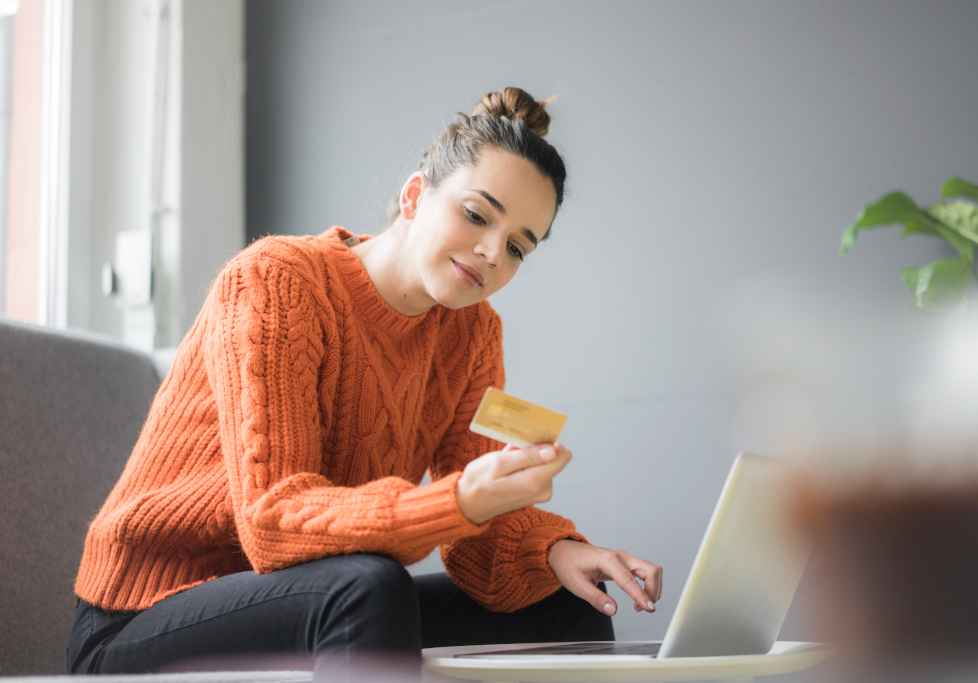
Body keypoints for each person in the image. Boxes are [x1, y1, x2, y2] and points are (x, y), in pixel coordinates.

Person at [67, 87, 663, 678]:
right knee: (366, 584)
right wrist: (457, 499)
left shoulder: (474, 333)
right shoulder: (276, 281)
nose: (490, 254)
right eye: (477, 215)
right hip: (144, 613)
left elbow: (478, 544)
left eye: (516, 248)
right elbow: (273, 523)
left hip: (311, 598)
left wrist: (557, 551)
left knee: (564, 609)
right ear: (413, 196)